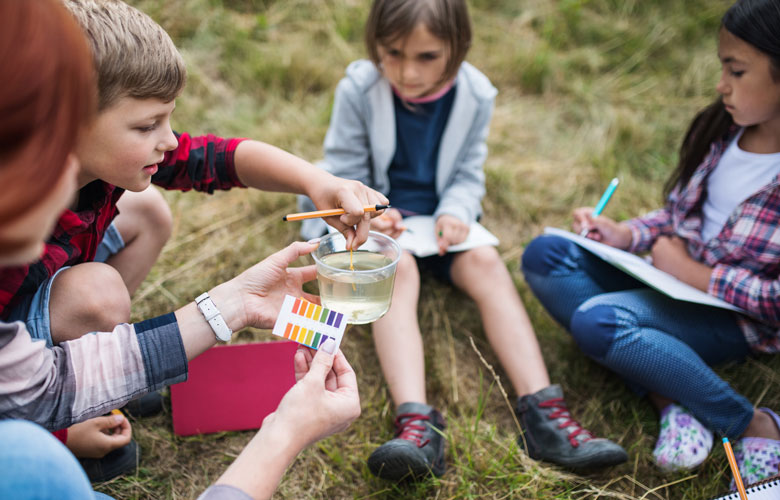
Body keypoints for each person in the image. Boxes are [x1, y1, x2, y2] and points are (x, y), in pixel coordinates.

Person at [0, 0, 382, 481]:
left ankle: (106, 365)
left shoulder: (93, 159)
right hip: (14, 356)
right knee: (98, 294)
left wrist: (317, 183)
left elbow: (217, 159)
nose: (167, 140)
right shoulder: (13, 228)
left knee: (149, 212)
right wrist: (58, 433)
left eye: (168, 119)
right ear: (66, 126)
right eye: (146, 126)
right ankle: (74, 407)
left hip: (35, 299)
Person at [299, 0, 627, 481]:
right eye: (392, 53)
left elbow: (469, 173)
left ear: (457, 48)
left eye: (426, 57)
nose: (407, 71)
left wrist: (456, 211)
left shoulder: (476, 93)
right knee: (401, 271)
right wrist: (369, 212)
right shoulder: (360, 88)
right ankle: (416, 425)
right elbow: (343, 169)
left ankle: (545, 417)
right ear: (375, 45)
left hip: (440, 225)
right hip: (374, 224)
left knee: (487, 264)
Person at [521, 0, 780, 485]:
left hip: (732, 317)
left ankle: (754, 425)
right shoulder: (725, 131)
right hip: (669, 278)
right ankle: (672, 398)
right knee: (545, 254)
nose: (721, 83)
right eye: (722, 66)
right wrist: (626, 234)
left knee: (598, 321)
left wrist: (693, 274)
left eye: (737, 70)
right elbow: (681, 215)